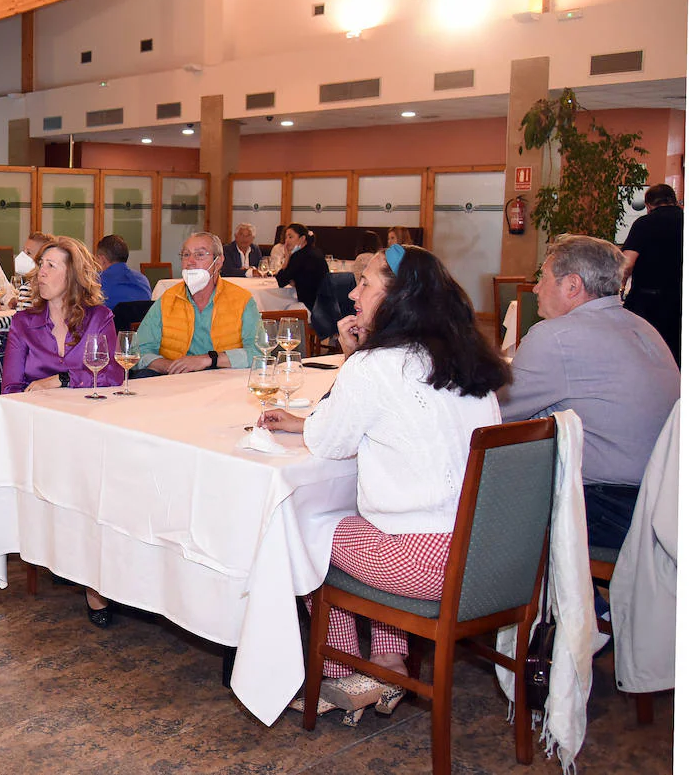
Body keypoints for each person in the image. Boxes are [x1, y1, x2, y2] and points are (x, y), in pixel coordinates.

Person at [260, 245, 510, 723]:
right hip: (484, 554)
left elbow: (331, 441)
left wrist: (354, 360)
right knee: (366, 523)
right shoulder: (466, 359)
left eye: (366, 283)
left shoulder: (378, 367)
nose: (354, 292)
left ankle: (337, 669)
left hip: (425, 564)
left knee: (302, 530)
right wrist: (356, 366)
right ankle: (387, 662)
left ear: (398, 298)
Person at [500, 234, 679, 551]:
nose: (537, 288)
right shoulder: (645, 328)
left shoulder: (556, 336)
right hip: (666, 503)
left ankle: (579, 603)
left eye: (543, 277)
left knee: (492, 503)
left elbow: (497, 412)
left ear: (572, 285)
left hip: (610, 505)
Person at [0, 237, 125, 626]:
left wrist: (60, 380)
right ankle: (76, 568)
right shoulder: (23, 322)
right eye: (42, 265)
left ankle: (96, 579)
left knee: (102, 482)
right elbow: (10, 388)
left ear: (74, 274)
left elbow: (112, 372)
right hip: (43, 431)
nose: (42, 273)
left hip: (89, 423)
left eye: (52, 265)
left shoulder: (98, 317)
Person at [132, 232, 261, 376]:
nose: (190, 261)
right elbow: (138, 350)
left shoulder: (242, 300)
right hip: (174, 382)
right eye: (186, 255)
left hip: (223, 381)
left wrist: (208, 360)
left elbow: (259, 352)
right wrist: (171, 366)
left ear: (218, 263)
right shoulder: (168, 299)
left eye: (200, 255)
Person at [622, 183, 683, 364]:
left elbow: (627, 263)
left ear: (648, 206)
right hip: (679, 303)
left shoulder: (644, 224)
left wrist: (621, 286)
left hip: (648, 303)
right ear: (673, 200)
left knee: (645, 357)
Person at [275, 223, 330, 319]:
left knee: (277, 311)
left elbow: (280, 281)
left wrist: (287, 257)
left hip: (310, 307)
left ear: (302, 239)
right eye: (286, 237)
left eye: (290, 237)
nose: (287, 241)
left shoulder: (299, 256)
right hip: (324, 306)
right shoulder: (316, 251)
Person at [94, 234, 152, 309]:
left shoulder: (96, 282)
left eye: (96, 258)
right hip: (141, 321)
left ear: (102, 259)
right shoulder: (143, 280)